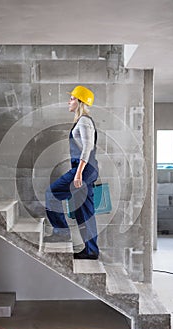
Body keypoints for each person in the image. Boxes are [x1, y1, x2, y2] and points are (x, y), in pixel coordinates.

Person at [44, 85, 99, 260]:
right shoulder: (82, 120)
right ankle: (91, 250)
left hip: (84, 169)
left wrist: (78, 173)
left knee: (52, 193)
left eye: (73, 98)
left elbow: (88, 147)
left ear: (81, 102)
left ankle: (61, 232)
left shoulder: (84, 120)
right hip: (86, 169)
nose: (69, 101)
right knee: (85, 211)